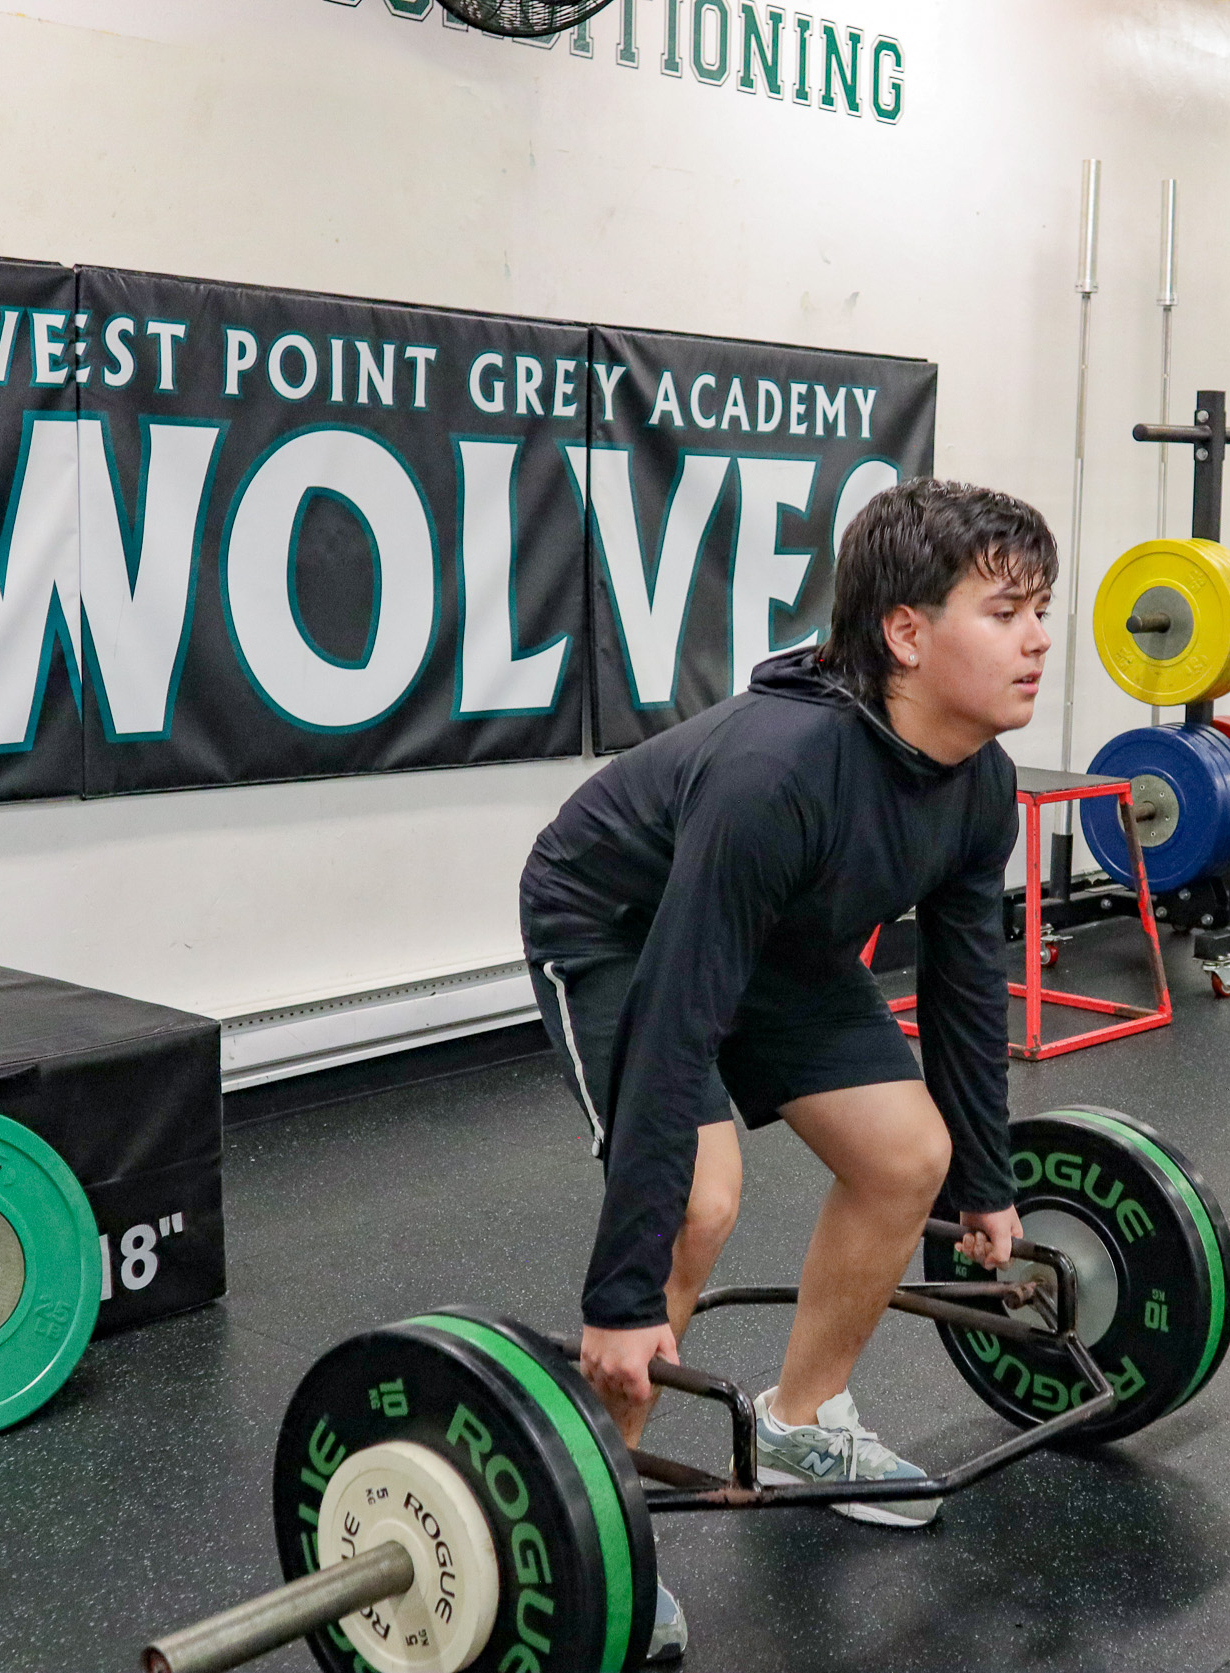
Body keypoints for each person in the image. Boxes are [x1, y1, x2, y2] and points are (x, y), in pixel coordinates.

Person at [520, 479, 1051, 1661]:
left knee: (908, 1152)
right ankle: (601, 1523)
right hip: (616, 925)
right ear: (906, 633)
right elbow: (674, 1022)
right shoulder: (781, 769)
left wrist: (986, 1180)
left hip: (780, 936)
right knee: (696, 1204)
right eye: (1006, 611)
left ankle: (802, 1419)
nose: (1038, 638)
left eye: (1039, 609)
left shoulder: (979, 778)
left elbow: (965, 987)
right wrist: (617, 1295)